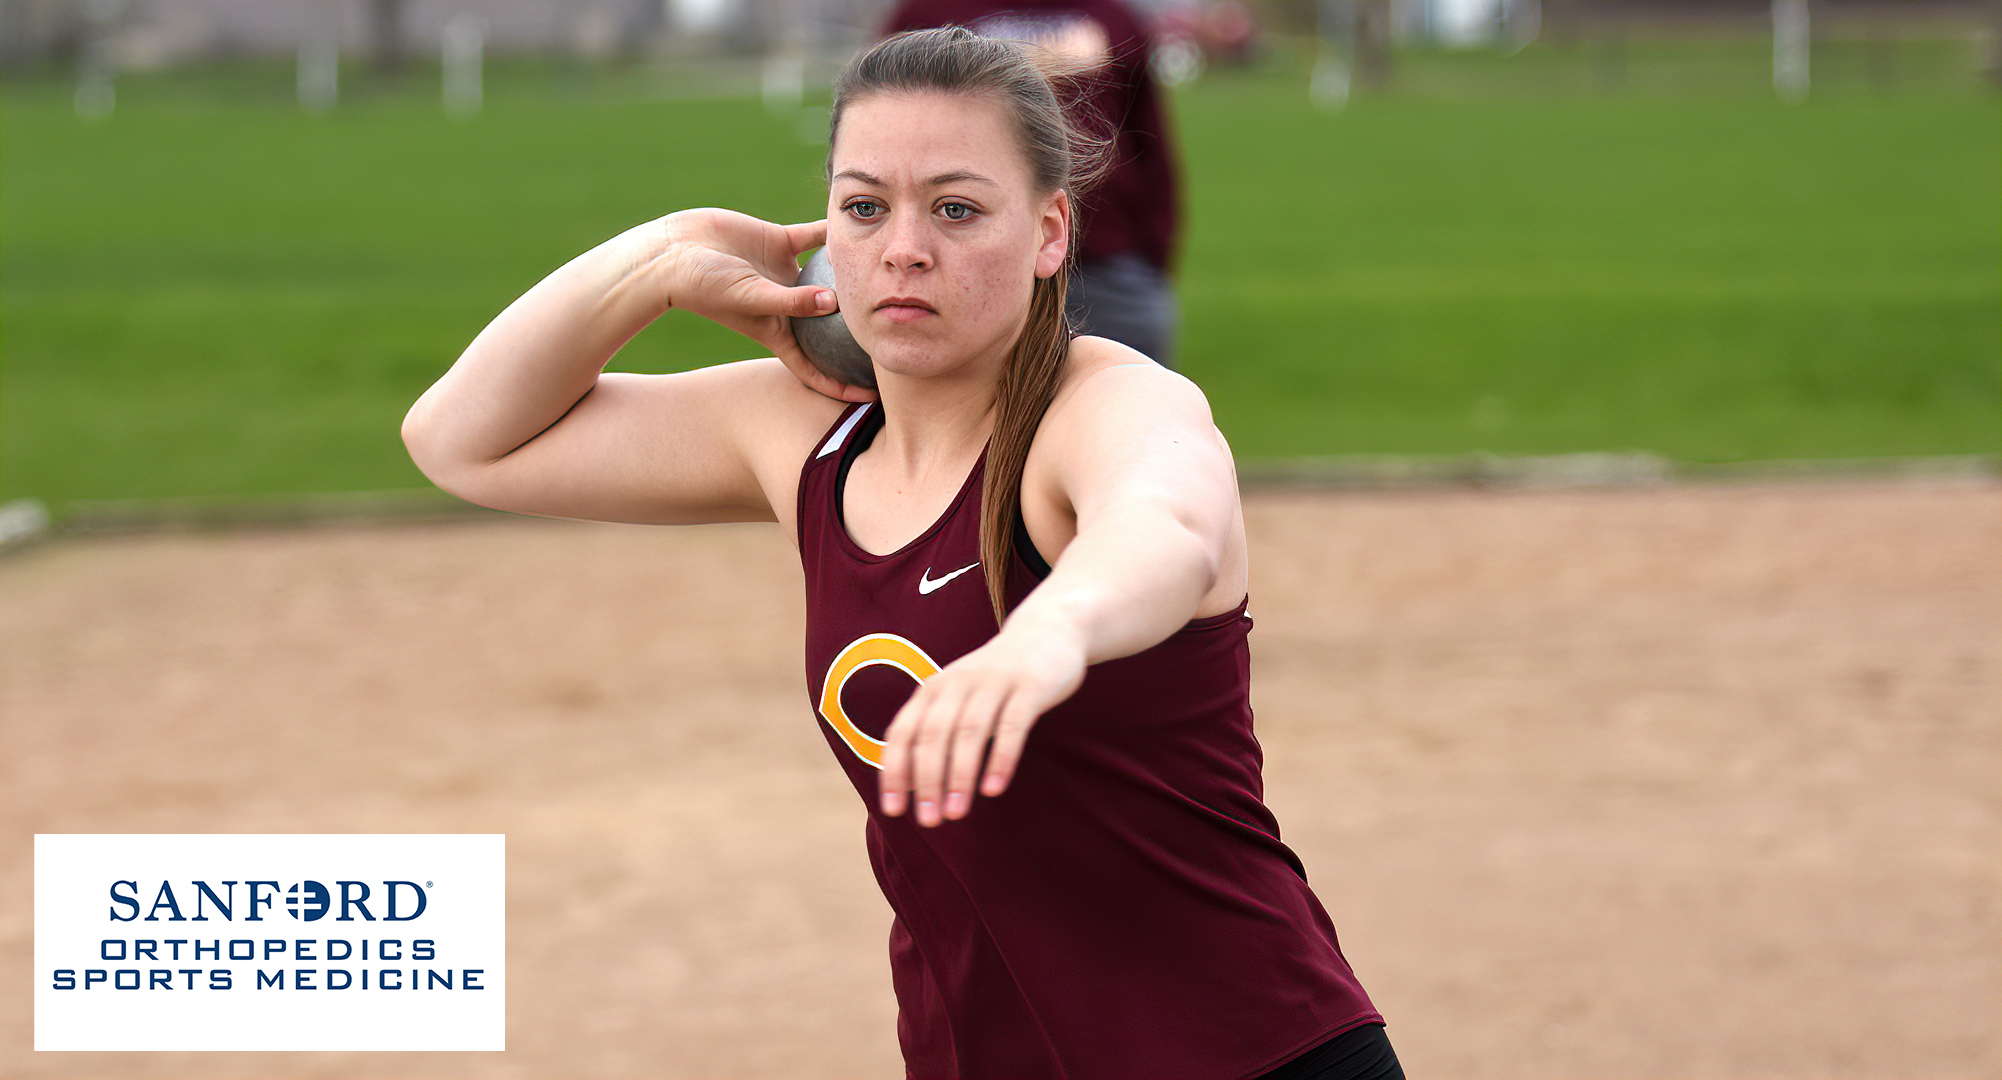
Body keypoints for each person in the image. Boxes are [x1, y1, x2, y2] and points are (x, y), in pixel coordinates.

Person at [402, 26, 1398, 1080]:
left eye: (956, 209)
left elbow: (1167, 528)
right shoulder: (803, 434)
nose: (903, 248)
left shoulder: (1104, 404)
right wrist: (660, 259)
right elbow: (462, 441)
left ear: (1051, 231)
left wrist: (1051, 632)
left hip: (1246, 1054)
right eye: (864, 207)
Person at [881, 0, 1183, 367]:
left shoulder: (1113, 16)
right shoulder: (926, 14)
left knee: (1126, 406)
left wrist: (1150, 256)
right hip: (967, 264)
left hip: (1106, 266)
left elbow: (1149, 141)